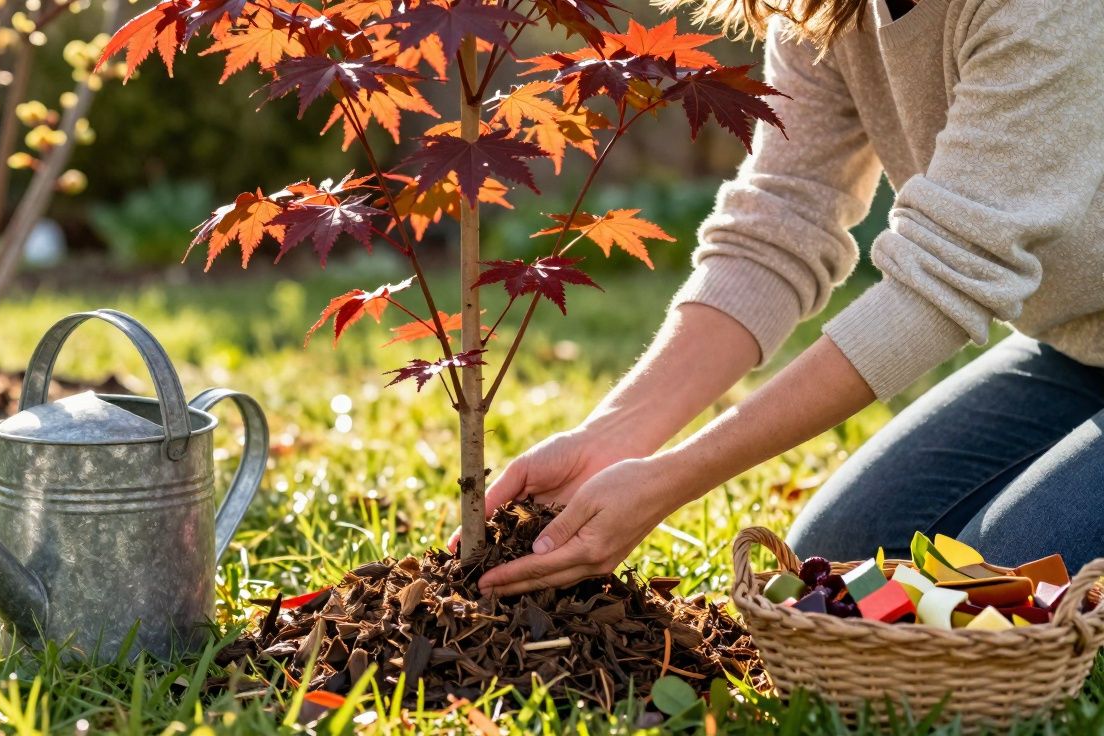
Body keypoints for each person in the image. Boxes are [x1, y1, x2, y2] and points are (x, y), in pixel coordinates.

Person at [471, 0, 1104, 597]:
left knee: (1009, 583)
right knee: (842, 559)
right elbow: (780, 222)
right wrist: (614, 436)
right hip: (1079, 351)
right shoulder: (830, 10)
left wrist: (672, 478)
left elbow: (940, 283)